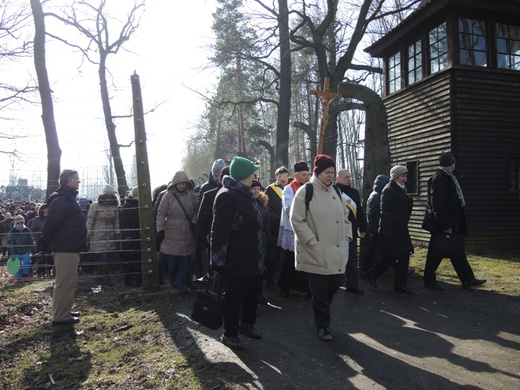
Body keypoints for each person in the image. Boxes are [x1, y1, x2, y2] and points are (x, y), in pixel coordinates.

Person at [290, 154, 352, 341]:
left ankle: (322, 316)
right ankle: (322, 326)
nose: (330, 176)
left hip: (337, 251)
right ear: (317, 172)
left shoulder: (337, 192)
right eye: (327, 172)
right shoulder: (306, 192)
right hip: (315, 252)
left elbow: (346, 217)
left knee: (336, 282)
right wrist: (311, 242)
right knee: (320, 292)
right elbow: (297, 220)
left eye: (332, 172)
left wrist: (347, 238)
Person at [211, 156, 264, 350]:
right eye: (252, 172)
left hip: (253, 256)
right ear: (243, 175)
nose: (254, 176)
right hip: (235, 258)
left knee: (252, 293)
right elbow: (218, 231)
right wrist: (217, 261)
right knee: (233, 296)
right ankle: (230, 333)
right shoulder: (227, 195)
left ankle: (247, 324)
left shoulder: (245, 193)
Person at [422, 152, 486, 290]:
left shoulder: (446, 177)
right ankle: (429, 280)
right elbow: (438, 204)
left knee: (456, 251)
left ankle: (467, 278)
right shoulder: (439, 179)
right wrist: (446, 225)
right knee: (436, 252)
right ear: (451, 164)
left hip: (450, 221)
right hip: (444, 223)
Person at [42, 169, 87, 325]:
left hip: (70, 246)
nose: (78, 182)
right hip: (65, 247)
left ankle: (64, 311)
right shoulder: (62, 200)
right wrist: (45, 241)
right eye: (76, 179)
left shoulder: (67, 198)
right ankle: (60, 316)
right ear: (69, 180)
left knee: (69, 281)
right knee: (64, 282)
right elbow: (51, 224)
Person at [368, 165, 415, 295]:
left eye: (405, 176)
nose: (405, 179)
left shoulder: (400, 190)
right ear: (395, 177)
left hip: (401, 229)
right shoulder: (389, 190)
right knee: (390, 257)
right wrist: (387, 233)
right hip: (392, 230)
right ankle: (374, 273)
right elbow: (385, 213)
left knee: (404, 256)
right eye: (402, 176)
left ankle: (400, 285)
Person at [156, 171, 198, 293]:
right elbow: (161, 213)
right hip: (172, 231)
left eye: (183, 183)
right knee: (173, 258)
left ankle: (180, 283)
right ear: (175, 184)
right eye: (179, 183)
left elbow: (196, 210)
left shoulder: (191, 194)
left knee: (186, 258)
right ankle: (174, 280)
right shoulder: (168, 196)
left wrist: (194, 222)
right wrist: (160, 229)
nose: (181, 186)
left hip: (187, 231)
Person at [278, 160, 311, 297]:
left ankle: (307, 288)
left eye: (308, 174)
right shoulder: (289, 189)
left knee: (306, 260)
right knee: (289, 260)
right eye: (303, 175)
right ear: (295, 175)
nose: (306, 177)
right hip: (292, 229)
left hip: (307, 229)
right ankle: (285, 287)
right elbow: (289, 208)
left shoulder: (311, 188)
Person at [196, 166, 229, 284]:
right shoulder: (209, 195)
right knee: (217, 270)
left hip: (217, 238)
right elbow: (202, 220)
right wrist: (202, 241)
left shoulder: (210, 194)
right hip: (213, 238)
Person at [336, 169, 367, 295]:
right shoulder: (333, 192)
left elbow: (359, 212)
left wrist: (363, 227)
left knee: (352, 258)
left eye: (349, 177)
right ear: (338, 178)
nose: (349, 179)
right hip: (336, 230)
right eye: (345, 177)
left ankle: (352, 284)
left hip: (351, 231)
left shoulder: (354, 192)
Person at [87, 185, 121, 286]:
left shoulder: (114, 207)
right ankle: (106, 276)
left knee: (108, 256)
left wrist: (117, 232)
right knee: (102, 256)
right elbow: (90, 220)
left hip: (110, 235)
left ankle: (99, 275)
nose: (109, 199)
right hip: (97, 234)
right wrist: (88, 232)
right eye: (108, 197)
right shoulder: (95, 206)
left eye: (111, 197)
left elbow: (116, 221)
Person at [264, 166, 289, 286]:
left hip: (288, 228)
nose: (283, 179)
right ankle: (270, 279)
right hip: (275, 228)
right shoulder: (270, 190)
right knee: (272, 255)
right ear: (276, 177)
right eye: (280, 177)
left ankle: (284, 281)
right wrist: (280, 219)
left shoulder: (291, 189)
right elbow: (267, 209)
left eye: (285, 177)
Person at [360, 175, 390, 275]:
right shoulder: (376, 196)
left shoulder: (376, 195)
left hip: (374, 226)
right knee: (372, 249)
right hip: (374, 227)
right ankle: (366, 268)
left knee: (373, 248)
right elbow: (373, 212)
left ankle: (367, 267)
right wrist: (379, 223)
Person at [251, 179, 270, 305]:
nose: (256, 191)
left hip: (262, 242)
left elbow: (267, 225)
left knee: (261, 270)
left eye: (258, 189)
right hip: (252, 242)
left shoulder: (263, 205)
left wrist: (267, 240)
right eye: (254, 189)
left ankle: (260, 294)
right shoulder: (248, 204)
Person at [119, 187, 142, 287]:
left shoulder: (136, 205)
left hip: (137, 236)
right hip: (132, 238)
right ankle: (130, 280)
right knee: (134, 260)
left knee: (137, 259)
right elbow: (124, 223)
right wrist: (127, 235)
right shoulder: (129, 206)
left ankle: (135, 279)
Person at [8, 214, 37, 279]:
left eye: (21, 223)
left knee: (27, 262)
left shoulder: (26, 230)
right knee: (18, 266)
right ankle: (18, 278)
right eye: (18, 223)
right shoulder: (12, 232)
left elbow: (31, 241)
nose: (20, 224)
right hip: (16, 252)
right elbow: (10, 243)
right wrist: (12, 252)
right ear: (16, 223)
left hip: (25, 250)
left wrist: (34, 251)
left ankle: (25, 275)